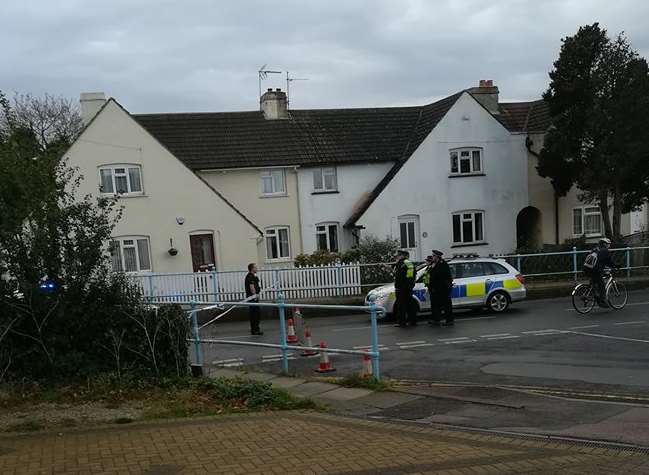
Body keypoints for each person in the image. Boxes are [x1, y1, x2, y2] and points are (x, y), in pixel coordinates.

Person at [424, 250, 454, 326]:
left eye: (433, 256)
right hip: (436, 289)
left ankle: (449, 321)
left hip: (443, 289)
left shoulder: (442, 264)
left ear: (437, 257)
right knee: (436, 305)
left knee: (446, 305)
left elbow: (440, 277)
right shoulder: (435, 264)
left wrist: (433, 268)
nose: (432, 257)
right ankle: (436, 319)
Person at [585, 238, 617, 308]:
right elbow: (609, 262)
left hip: (586, 268)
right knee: (602, 285)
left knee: (595, 281)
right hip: (595, 270)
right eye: (608, 244)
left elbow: (599, 261)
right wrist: (616, 266)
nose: (609, 245)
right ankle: (602, 302)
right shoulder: (604, 251)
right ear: (605, 244)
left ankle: (589, 293)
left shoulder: (595, 249)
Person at [394, 250, 417, 327]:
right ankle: (403, 321)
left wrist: (408, 286)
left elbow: (410, 276)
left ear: (403, 255)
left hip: (404, 288)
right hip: (401, 288)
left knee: (405, 305)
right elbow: (398, 275)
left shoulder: (407, 262)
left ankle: (407, 322)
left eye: (399, 255)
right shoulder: (400, 263)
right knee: (402, 305)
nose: (397, 256)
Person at [244, 263, 263, 335]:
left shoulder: (254, 276)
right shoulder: (250, 277)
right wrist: (255, 295)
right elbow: (252, 287)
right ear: (252, 268)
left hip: (254, 297)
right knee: (254, 314)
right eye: (255, 267)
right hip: (252, 298)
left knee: (256, 313)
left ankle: (256, 328)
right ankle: (255, 330)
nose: (257, 269)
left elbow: (257, 285)